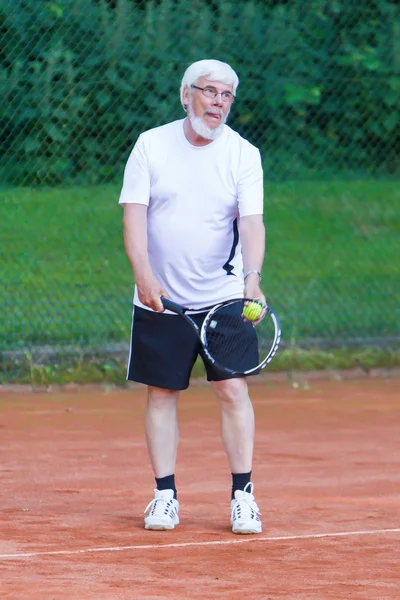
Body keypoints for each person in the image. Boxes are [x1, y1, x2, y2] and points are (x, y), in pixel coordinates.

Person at [119, 59, 266, 534]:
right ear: (187, 95)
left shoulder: (244, 154)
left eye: (226, 96)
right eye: (209, 92)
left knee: (233, 389)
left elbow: (251, 222)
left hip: (224, 297)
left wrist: (253, 278)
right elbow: (134, 217)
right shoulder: (151, 145)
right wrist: (144, 276)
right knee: (161, 393)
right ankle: (164, 496)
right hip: (161, 296)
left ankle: (243, 496)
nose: (218, 103)